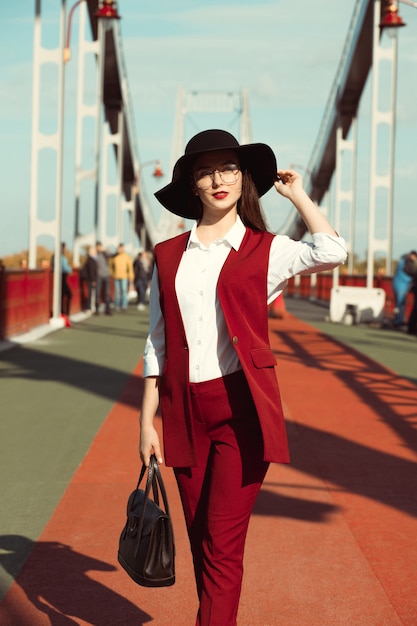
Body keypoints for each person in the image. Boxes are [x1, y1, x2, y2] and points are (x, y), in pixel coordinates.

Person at [139, 129, 347, 626]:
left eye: (229, 169)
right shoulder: (168, 256)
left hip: (242, 412)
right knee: (200, 540)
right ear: (191, 184)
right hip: (183, 411)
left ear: (244, 177)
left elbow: (331, 251)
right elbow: (157, 343)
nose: (218, 180)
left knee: (222, 541)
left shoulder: (266, 249)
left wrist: (297, 194)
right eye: (206, 171)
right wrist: (146, 423)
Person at [392, 250, 417, 327]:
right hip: (401, 285)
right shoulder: (407, 262)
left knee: (400, 303)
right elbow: (413, 271)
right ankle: (397, 321)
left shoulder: (403, 260)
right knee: (400, 303)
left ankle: (398, 319)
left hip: (400, 284)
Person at [110, 243, 134, 312]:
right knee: (117, 292)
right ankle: (117, 305)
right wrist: (112, 273)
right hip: (116, 276)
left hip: (124, 277)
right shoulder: (114, 257)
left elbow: (130, 267)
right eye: (118, 248)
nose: (119, 250)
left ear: (123, 249)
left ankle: (124, 305)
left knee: (124, 291)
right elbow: (111, 266)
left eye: (120, 248)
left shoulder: (126, 257)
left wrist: (131, 275)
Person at [52, 242, 73, 318]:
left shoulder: (55, 257)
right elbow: (65, 268)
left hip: (59, 278)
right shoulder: (60, 258)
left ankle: (62, 312)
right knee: (68, 294)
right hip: (61, 278)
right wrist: (70, 269)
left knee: (61, 295)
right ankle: (65, 313)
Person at [95, 241, 112, 315]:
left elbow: (111, 255)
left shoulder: (105, 254)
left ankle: (107, 310)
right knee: (97, 293)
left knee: (107, 293)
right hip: (99, 276)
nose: (99, 248)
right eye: (98, 247)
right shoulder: (95, 255)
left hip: (106, 275)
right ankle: (97, 310)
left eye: (100, 246)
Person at [81, 245, 97, 312]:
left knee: (90, 293)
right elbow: (91, 271)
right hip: (90, 279)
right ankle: (89, 307)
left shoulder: (90, 260)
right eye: (94, 252)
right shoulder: (91, 260)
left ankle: (90, 307)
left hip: (89, 278)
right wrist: (93, 280)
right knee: (90, 293)